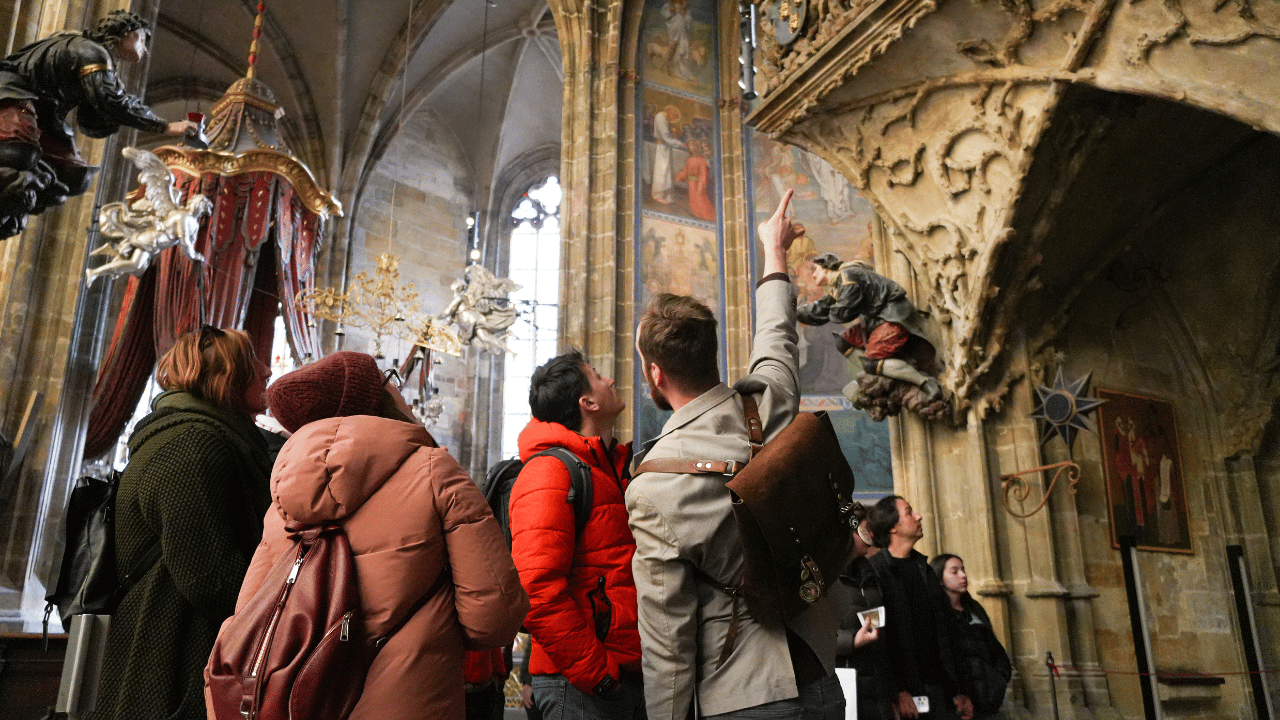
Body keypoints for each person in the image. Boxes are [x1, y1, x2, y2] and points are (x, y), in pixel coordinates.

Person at [212, 351, 529, 720]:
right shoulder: (435, 472)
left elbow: (248, 615)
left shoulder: (284, 499)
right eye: (390, 379)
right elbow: (492, 619)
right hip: (409, 701)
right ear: (375, 397)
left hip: (304, 702)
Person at [627, 189, 845, 720]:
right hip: (819, 672)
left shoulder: (653, 488)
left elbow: (667, 641)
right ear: (711, 353)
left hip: (745, 691)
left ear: (655, 372)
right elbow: (777, 340)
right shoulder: (767, 402)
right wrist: (775, 252)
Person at [87, 326, 273, 720]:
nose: (267, 370)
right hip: (172, 653)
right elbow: (211, 579)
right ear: (226, 375)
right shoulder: (192, 443)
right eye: (252, 362)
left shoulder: (209, 436)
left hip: (175, 643)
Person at [508, 349, 644, 720]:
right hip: (581, 686)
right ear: (587, 402)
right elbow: (535, 588)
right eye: (598, 375)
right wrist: (599, 675)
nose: (610, 380)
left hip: (623, 674)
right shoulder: (550, 471)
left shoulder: (609, 467)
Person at [0, 10, 200, 238]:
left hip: (43, 114)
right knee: (18, 153)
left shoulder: (99, 59)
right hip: (11, 92)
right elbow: (112, 99)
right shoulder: (91, 51)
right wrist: (165, 126)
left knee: (76, 176)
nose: (144, 49)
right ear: (128, 33)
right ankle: (20, 183)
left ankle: (25, 189)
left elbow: (93, 118)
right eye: (142, 40)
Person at [865, 496, 973, 720]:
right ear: (893, 526)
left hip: (938, 691)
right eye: (909, 512)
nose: (918, 516)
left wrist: (959, 689)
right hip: (902, 697)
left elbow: (946, 632)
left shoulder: (925, 569)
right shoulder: (874, 572)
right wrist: (897, 690)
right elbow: (876, 638)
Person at [928, 554, 1011, 719]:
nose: (963, 575)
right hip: (957, 704)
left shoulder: (973, 608)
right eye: (954, 571)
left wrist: (999, 679)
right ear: (940, 578)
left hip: (987, 700)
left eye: (963, 569)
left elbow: (994, 649)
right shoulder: (936, 613)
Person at [835, 504, 895, 720]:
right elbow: (808, 634)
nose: (871, 534)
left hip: (876, 684)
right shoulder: (824, 577)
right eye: (864, 529)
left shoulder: (870, 573)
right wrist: (849, 641)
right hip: (844, 680)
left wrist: (891, 696)